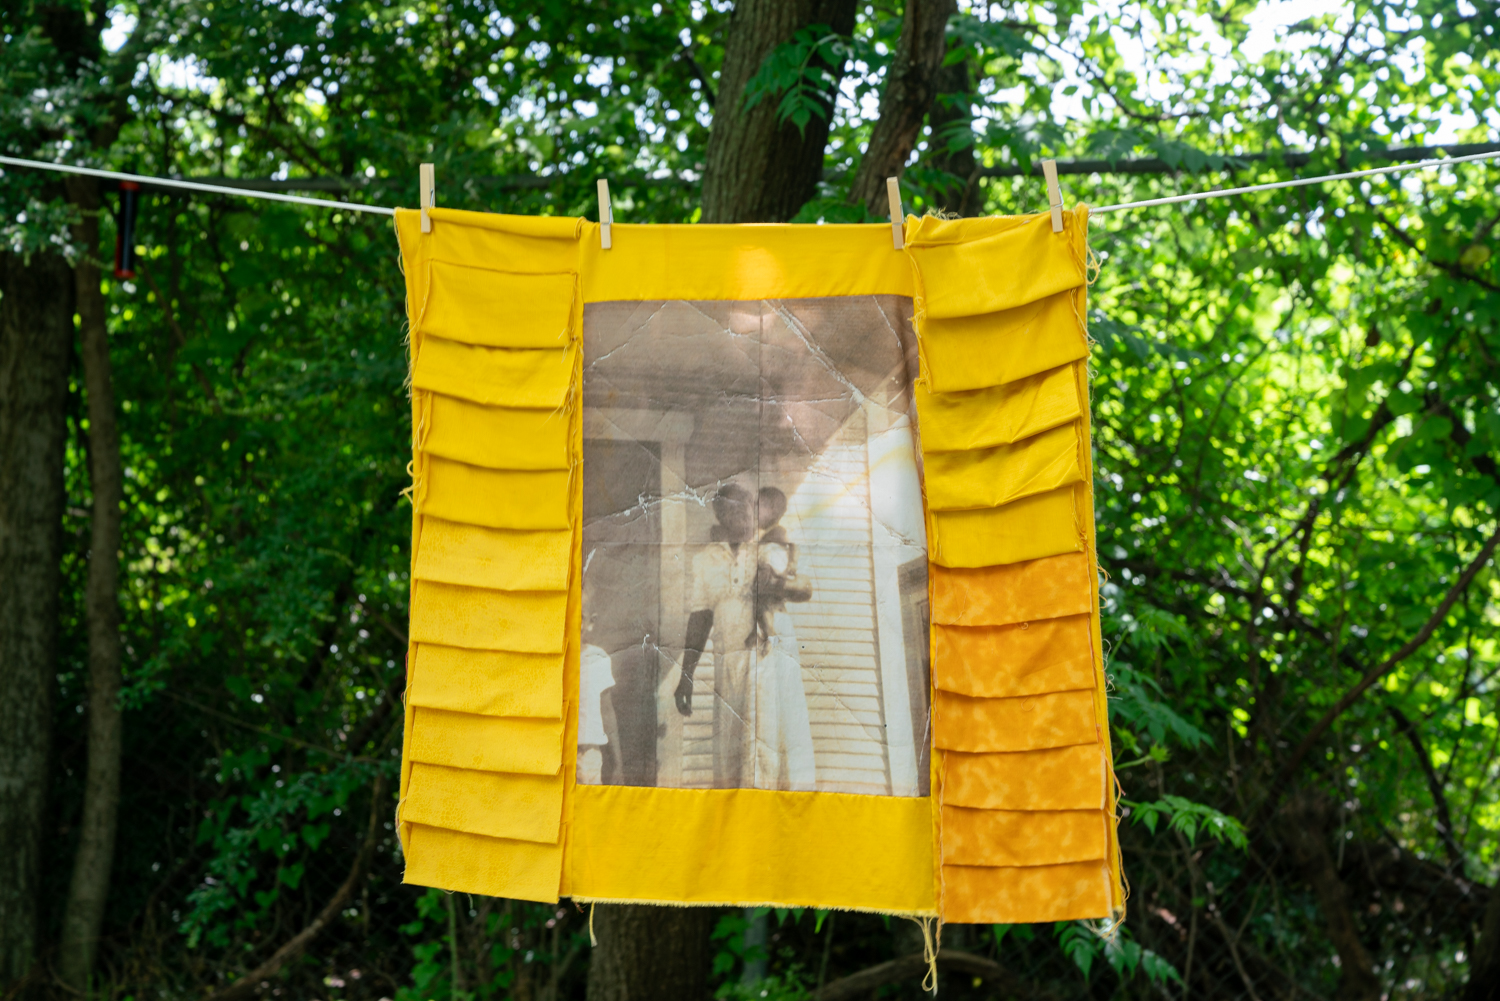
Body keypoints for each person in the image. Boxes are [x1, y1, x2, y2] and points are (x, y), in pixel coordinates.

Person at [675, 483, 759, 787]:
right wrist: (687, 675)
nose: (741, 515)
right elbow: (700, 617)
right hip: (729, 668)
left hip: (767, 663)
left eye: (746, 506)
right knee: (731, 756)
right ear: (720, 516)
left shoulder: (768, 548)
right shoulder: (706, 559)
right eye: (732, 509)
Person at [747, 487, 816, 791]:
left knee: (777, 700)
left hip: (775, 622)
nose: (754, 512)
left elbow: (767, 587)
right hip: (775, 618)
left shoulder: (772, 543)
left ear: (772, 510)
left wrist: (766, 629)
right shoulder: (776, 541)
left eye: (758, 506)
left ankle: (782, 781)